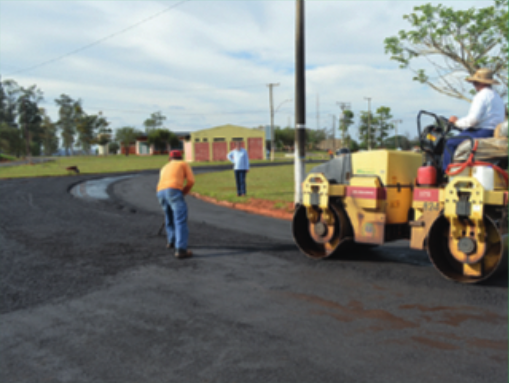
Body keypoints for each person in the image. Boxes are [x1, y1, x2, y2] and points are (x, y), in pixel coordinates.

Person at [443, 68, 505, 172]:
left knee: (449, 143)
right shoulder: (497, 97)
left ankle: (446, 173)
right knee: (462, 135)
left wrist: (456, 123)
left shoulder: (481, 96)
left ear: (480, 82)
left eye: (475, 81)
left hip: (482, 132)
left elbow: (473, 120)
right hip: (494, 133)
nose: (473, 84)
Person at [156, 150, 195, 259]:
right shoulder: (183, 163)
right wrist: (184, 192)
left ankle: (171, 241)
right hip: (173, 190)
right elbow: (191, 181)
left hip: (160, 192)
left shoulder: (164, 167)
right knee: (180, 219)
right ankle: (181, 249)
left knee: (168, 216)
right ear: (181, 157)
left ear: (169, 159)